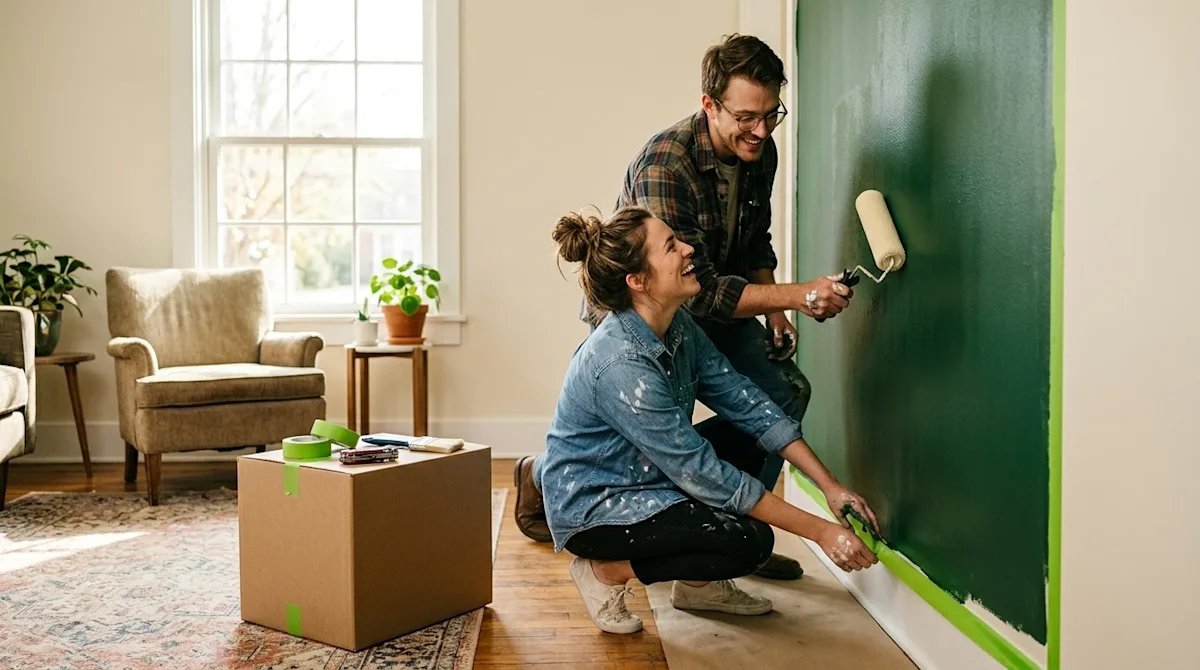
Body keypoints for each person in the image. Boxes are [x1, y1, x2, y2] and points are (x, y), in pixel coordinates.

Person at [514, 34, 858, 582]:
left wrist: (775, 312)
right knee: (661, 434)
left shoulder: (758, 149)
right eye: (747, 116)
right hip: (661, 303)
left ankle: (722, 528)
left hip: (699, 293)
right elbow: (697, 281)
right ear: (709, 105)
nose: (762, 131)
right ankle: (555, 481)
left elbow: (753, 242)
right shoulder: (664, 166)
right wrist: (799, 294)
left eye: (772, 115)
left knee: (779, 392)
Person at [537, 206, 879, 634]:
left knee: (749, 439)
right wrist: (822, 533)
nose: (688, 249)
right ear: (638, 281)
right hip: (599, 502)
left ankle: (697, 587)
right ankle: (606, 570)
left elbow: (744, 401)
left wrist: (830, 488)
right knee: (747, 542)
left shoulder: (675, 323)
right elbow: (703, 472)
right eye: (670, 247)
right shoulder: (620, 362)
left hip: (650, 474)